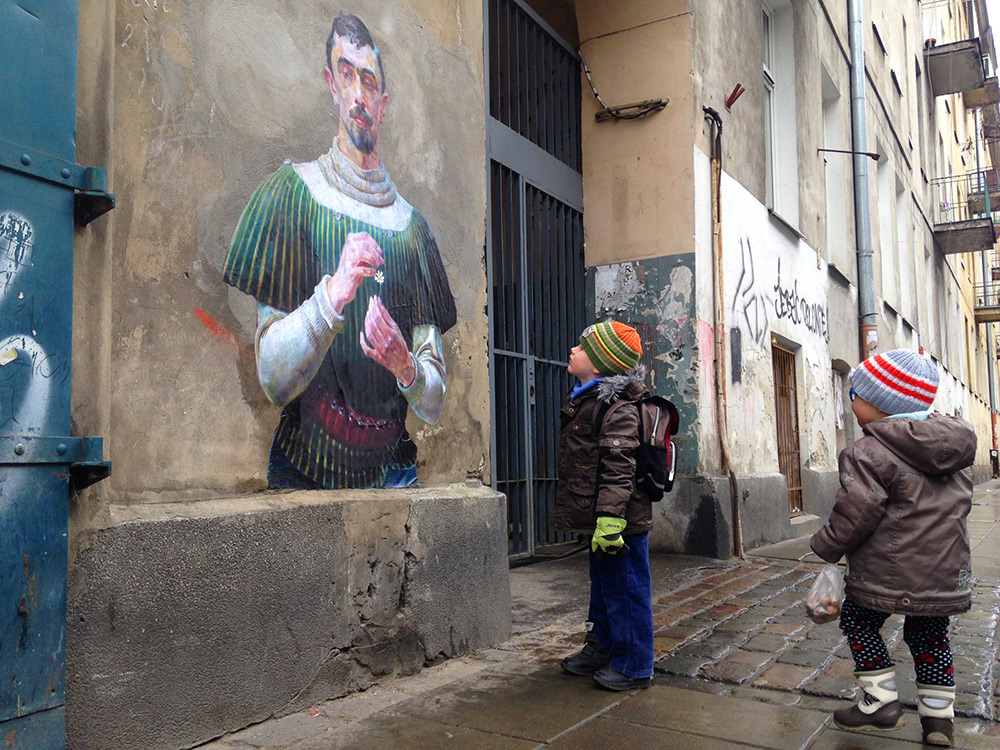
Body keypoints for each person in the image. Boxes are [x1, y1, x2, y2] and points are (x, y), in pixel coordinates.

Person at [223, 13, 456, 490]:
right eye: (347, 75)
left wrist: (405, 366)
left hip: (395, 475)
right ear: (331, 84)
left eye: (368, 81)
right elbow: (272, 379)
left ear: (383, 104)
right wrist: (333, 295)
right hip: (303, 470)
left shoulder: (414, 230)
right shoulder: (293, 193)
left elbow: (433, 406)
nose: (358, 95)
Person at [810, 348, 975, 747]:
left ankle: (879, 701)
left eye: (855, 395)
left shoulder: (867, 452)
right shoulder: (956, 452)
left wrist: (826, 545)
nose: (850, 402)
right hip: (945, 571)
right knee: (931, 637)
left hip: (888, 569)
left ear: (880, 404)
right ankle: (939, 721)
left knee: (858, 621)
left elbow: (857, 512)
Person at [555, 321, 654, 691]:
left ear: (598, 365)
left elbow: (619, 468)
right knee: (603, 587)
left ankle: (635, 666)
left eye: (582, 348)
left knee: (627, 590)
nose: (573, 350)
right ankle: (602, 647)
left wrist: (611, 520)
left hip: (621, 521)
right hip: (602, 517)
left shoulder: (618, 409)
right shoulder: (588, 400)